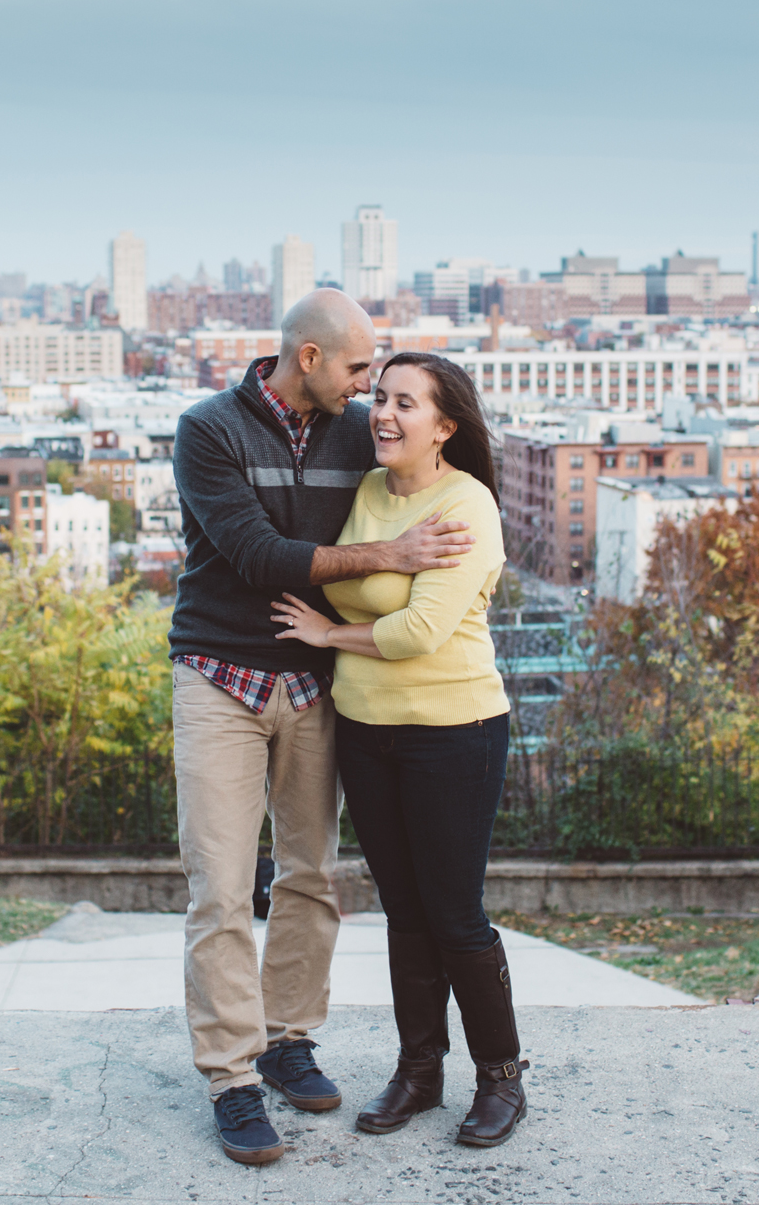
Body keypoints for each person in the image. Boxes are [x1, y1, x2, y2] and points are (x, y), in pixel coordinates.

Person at [169, 290, 475, 1167]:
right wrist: (389, 557)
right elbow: (259, 556)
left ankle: (286, 1039)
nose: (370, 390)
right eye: (356, 369)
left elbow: (427, 483)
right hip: (218, 674)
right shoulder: (210, 429)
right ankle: (231, 1078)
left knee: (311, 873)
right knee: (221, 885)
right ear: (308, 359)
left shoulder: (355, 433)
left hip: (314, 680)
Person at [271, 350, 527, 1149]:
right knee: (405, 911)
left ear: (444, 426)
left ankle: (501, 1078)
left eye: (404, 403)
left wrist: (327, 633)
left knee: (454, 914)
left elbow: (418, 630)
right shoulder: (373, 492)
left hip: (454, 731)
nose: (382, 413)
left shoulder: (467, 504)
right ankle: (420, 1071)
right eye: (379, 397)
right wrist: (373, 577)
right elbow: (356, 573)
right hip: (366, 730)